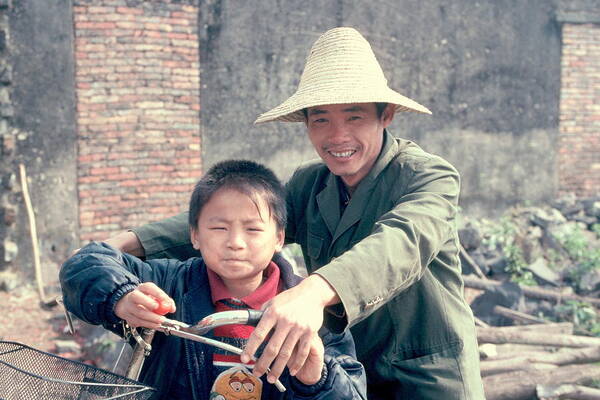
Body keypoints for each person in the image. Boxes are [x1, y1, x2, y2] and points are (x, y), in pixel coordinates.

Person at [104, 27, 485, 399]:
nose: (337, 137)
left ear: (386, 115)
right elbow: (243, 216)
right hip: (346, 371)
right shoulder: (312, 183)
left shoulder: (428, 176)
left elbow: (402, 242)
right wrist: (131, 242)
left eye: (354, 117)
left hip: (426, 374)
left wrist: (311, 294)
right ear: (306, 123)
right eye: (321, 119)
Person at [60, 160, 367, 400]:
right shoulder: (169, 285)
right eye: (219, 228)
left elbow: (352, 392)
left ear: (279, 238)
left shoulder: (312, 313)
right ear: (194, 234)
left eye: (253, 229)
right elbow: (85, 263)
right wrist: (122, 296)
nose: (235, 242)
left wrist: (319, 378)